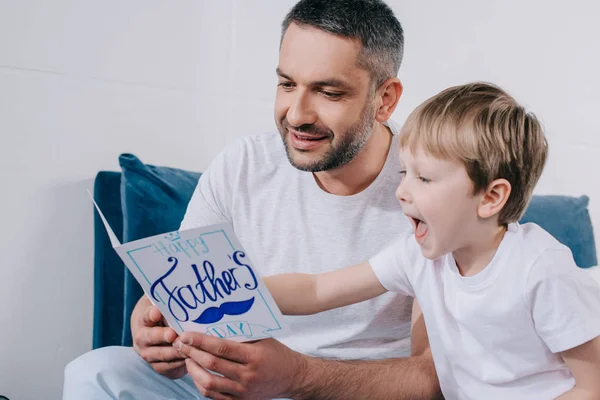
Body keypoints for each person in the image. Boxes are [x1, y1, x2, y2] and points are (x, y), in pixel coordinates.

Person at [63, 0, 445, 399]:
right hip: (234, 378)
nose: (296, 114)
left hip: (350, 389)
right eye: (286, 84)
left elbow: (431, 378)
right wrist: (153, 322)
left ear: (384, 99)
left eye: (328, 92)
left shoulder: (430, 186)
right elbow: (180, 286)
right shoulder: (243, 164)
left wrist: (298, 376)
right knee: (96, 373)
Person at [250, 82, 600, 399]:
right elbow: (317, 290)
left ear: (491, 197)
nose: (402, 191)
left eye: (425, 178)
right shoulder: (419, 256)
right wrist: (234, 297)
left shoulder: (541, 269)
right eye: (405, 173)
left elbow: (591, 386)